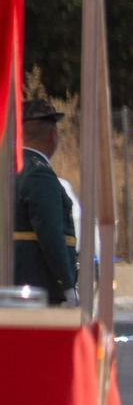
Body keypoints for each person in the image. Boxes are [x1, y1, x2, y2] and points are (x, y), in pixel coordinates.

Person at [13, 98, 76, 305]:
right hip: (36, 287)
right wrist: (66, 284)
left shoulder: (9, 168)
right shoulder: (38, 172)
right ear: (53, 136)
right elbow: (50, 233)